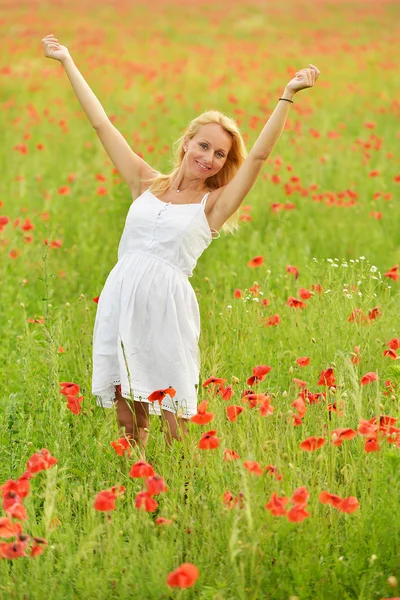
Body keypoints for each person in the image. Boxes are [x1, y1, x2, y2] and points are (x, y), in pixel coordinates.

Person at [41, 34, 320, 455]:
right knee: (126, 413)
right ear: (187, 142)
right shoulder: (144, 182)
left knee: (172, 415)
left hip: (167, 306)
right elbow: (102, 124)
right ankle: (135, 488)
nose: (209, 157)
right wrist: (66, 61)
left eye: (221, 154)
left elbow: (259, 157)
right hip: (124, 298)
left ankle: (185, 491)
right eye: (204, 145)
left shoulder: (212, 207)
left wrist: (287, 96)